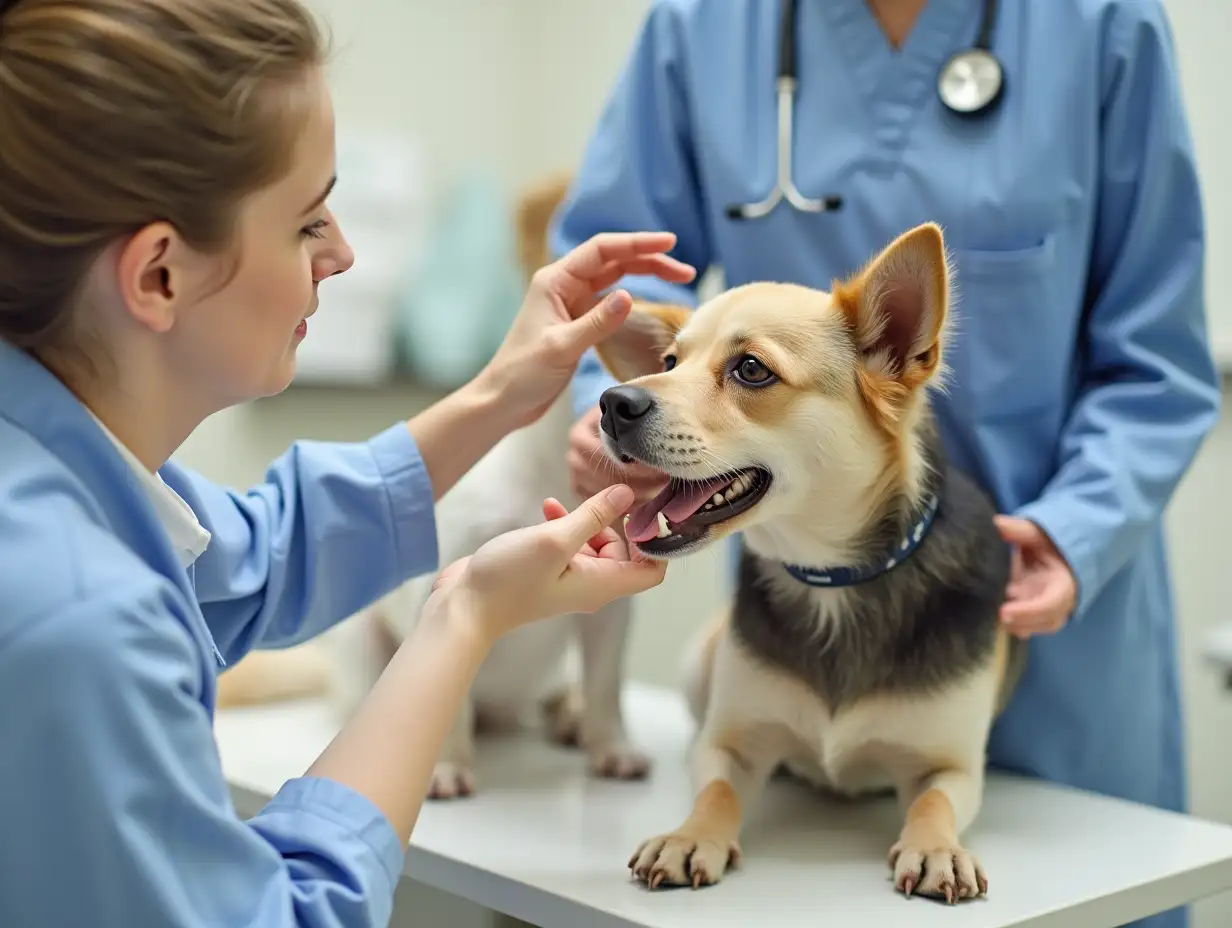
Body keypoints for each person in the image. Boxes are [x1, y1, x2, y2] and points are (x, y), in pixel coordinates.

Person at [0, 1, 697, 926]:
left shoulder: (62, 475)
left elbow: (250, 555)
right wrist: (459, 618)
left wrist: (498, 393)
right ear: (160, 275)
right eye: (305, 221)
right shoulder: (77, 620)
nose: (343, 252)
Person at [551, 2, 1221, 926]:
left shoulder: (1103, 24)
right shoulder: (703, 26)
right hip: (797, 597)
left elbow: (1158, 358)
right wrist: (610, 411)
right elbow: (606, 286)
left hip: (1058, 609)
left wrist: (1080, 530)